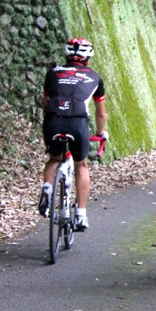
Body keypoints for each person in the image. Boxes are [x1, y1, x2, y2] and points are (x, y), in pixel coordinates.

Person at [38, 38, 108, 231]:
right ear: (88, 58)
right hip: (77, 124)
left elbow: (45, 101)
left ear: (66, 55)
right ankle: (81, 214)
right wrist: (101, 133)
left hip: (53, 121)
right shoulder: (94, 77)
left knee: (54, 159)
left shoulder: (52, 73)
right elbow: (101, 113)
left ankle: (47, 188)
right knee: (81, 165)